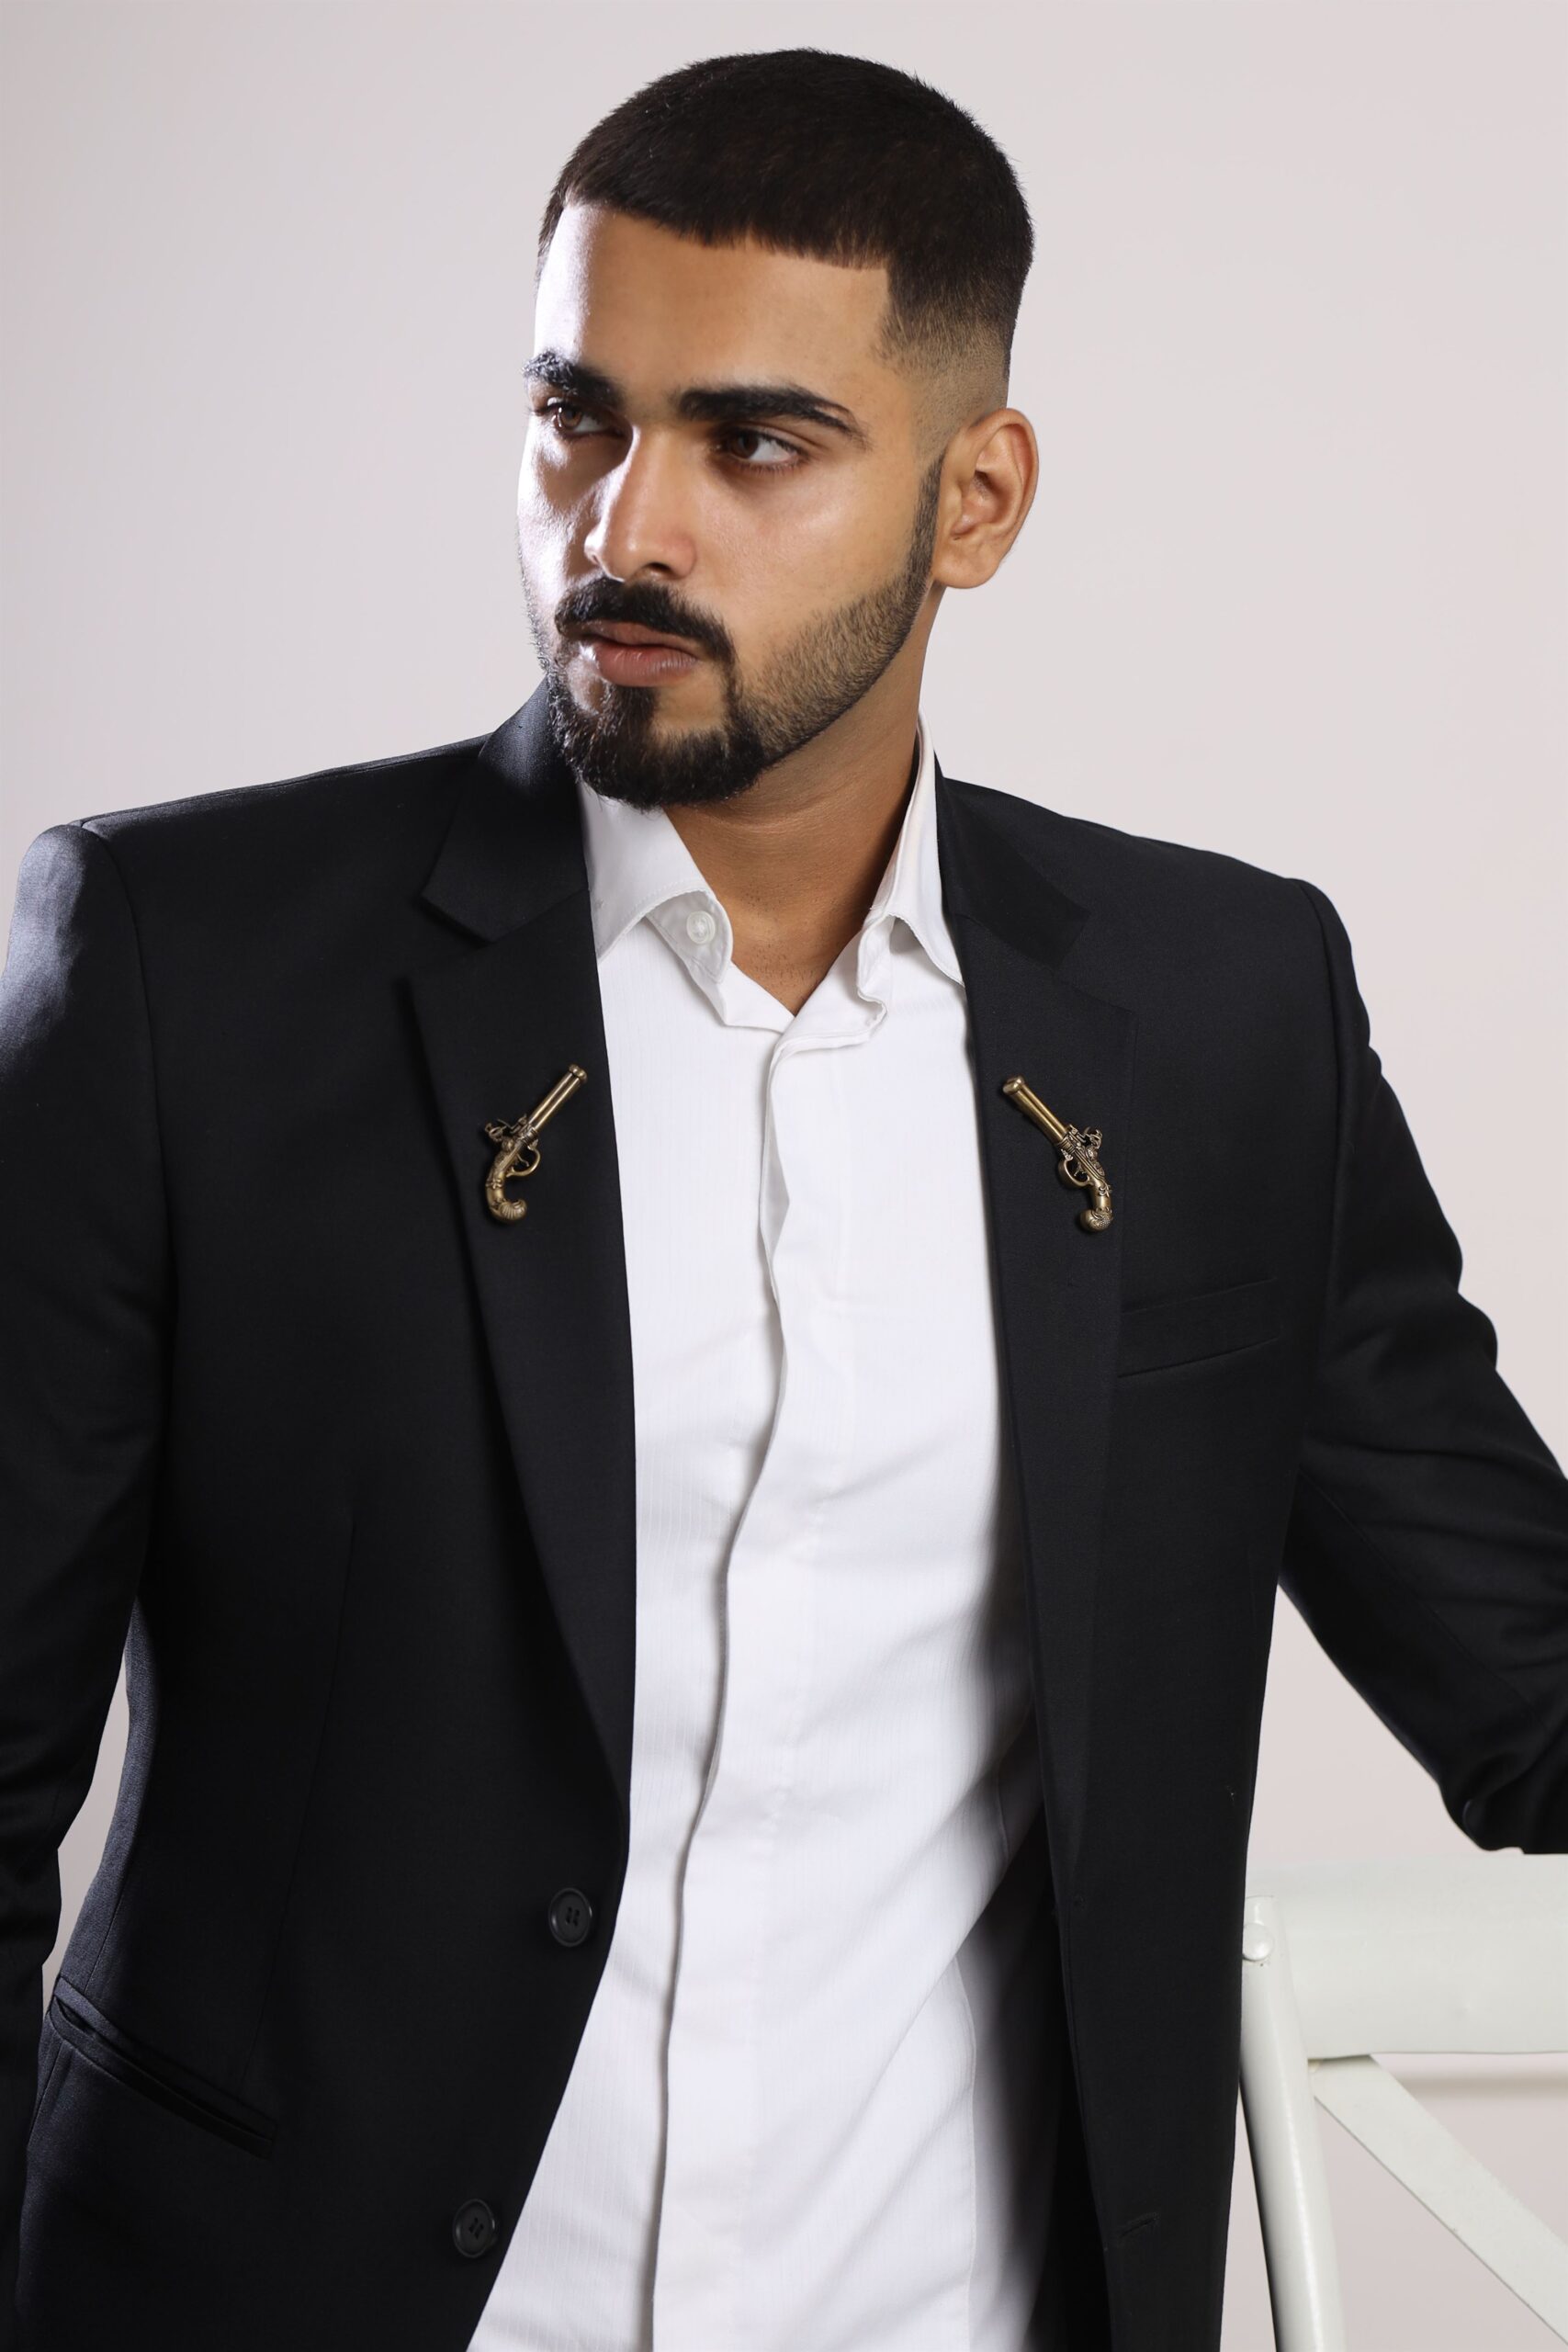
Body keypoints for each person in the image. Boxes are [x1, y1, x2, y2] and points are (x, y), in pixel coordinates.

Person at [2, 44, 1563, 2352]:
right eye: (575, 416)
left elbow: (1523, 1675)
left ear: (974, 497)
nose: (622, 526)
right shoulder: (183, 972)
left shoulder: (1216, 1016)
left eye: (752, 443)